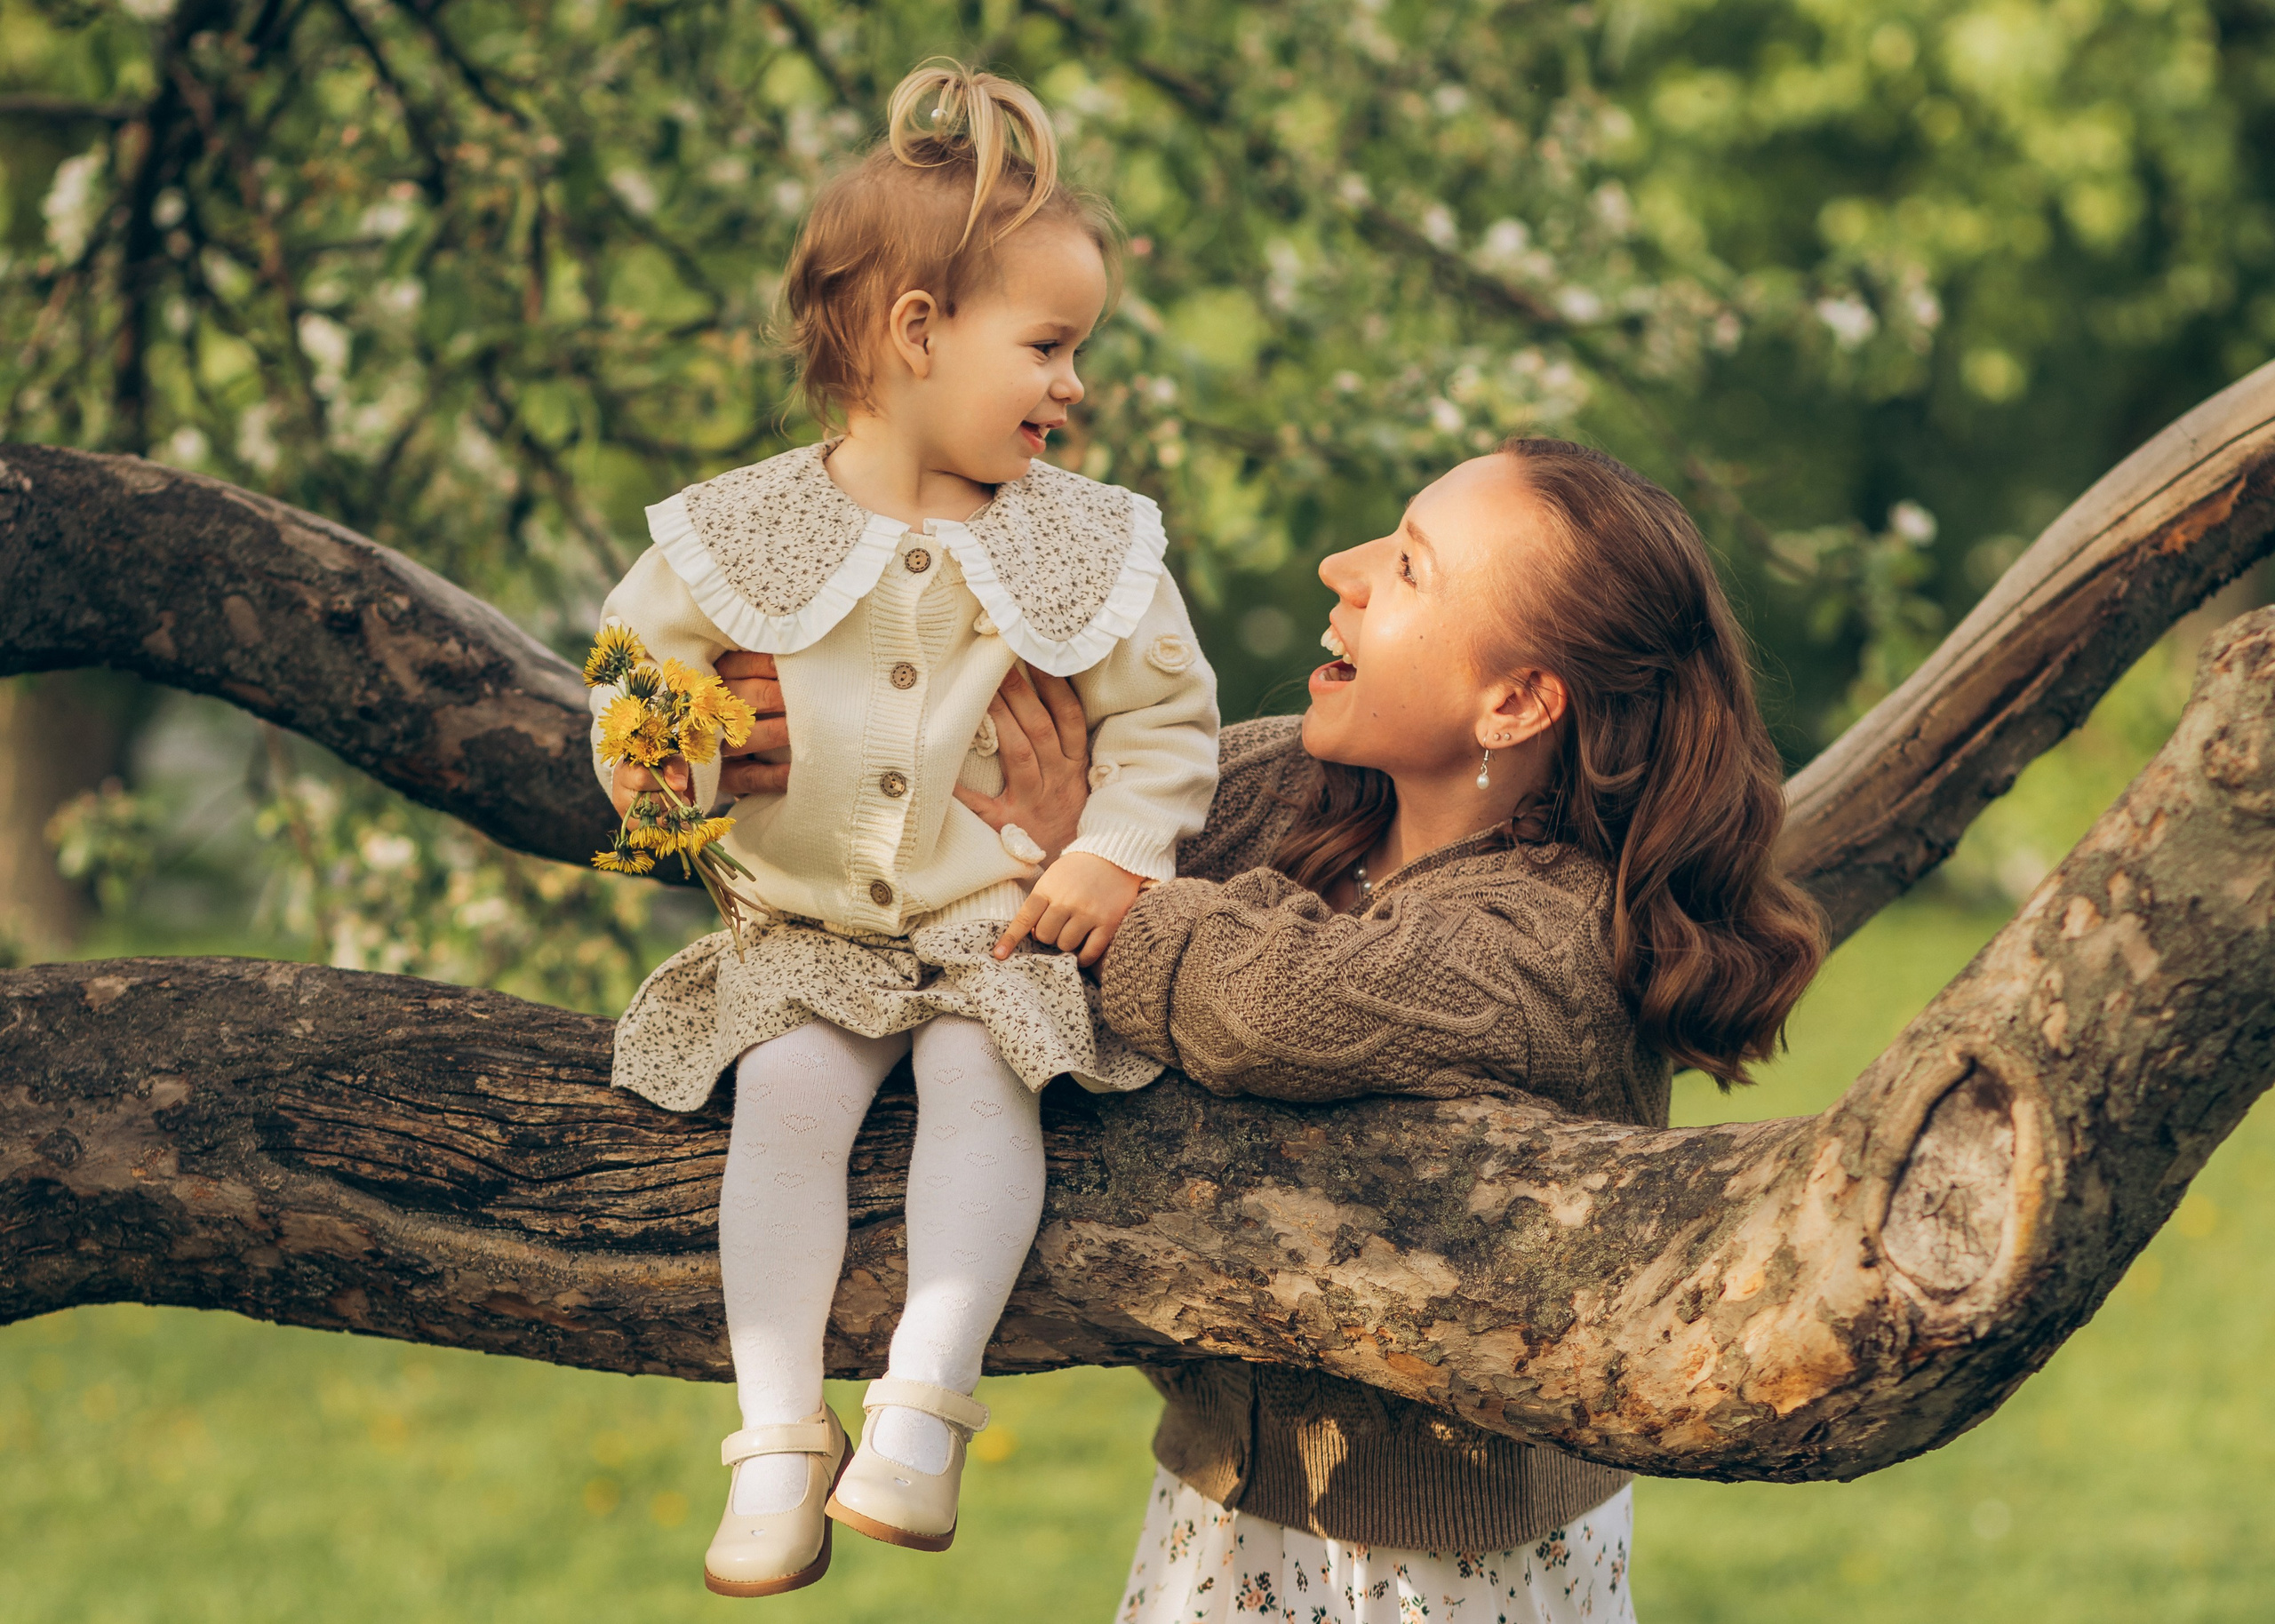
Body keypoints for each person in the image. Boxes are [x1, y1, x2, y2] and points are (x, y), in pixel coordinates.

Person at [727, 439, 1820, 1620]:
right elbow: (1032, 774)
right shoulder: (1295, 795)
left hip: (1448, 1571)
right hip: (1223, 1510)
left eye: (1406, 568)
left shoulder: (1542, 945)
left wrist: (1087, 872)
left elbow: (1268, 1006)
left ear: (1513, 702)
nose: (1337, 569)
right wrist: (828, 737)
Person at [588, 60, 1219, 1598]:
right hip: (800, 931)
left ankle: (925, 1411)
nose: (1074, 386)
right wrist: (684, 755)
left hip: (985, 919)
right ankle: (777, 1437)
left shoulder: (1086, 539)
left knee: (983, 1069)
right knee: (790, 1100)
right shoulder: (742, 529)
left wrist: (1111, 852)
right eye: (1050, 347)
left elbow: (1165, 722)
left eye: (1082, 350)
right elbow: (621, 685)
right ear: (915, 333)